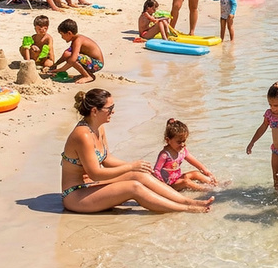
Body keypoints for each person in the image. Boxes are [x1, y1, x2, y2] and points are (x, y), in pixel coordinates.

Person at [60, 88, 213, 214]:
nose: (113, 112)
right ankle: (186, 208)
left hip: (91, 186)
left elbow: (107, 159)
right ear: (94, 111)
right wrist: (131, 167)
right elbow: (95, 173)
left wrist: (137, 167)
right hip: (76, 195)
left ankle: (188, 201)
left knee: (139, 175)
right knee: (134, 187)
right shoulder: (83, 135)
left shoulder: (98, 128)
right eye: (110, 109)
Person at [154, 119, 217, 191]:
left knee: (196, 173)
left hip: (178, 178)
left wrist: (206, 171)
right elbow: (156, 171)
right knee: (186, 182)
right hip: (170, 184)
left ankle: (215, 184)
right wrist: (163, 185)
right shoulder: (164, 155)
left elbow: (194, 161)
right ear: (168, 140)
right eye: (179, 142)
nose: (182, 144)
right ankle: (206, 189)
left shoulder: (182, 151)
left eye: (184, 141)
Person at [46, 18, 104, 84]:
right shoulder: (75, 40)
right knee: (67, 53)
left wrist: (61, 70)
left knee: (72, 57)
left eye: (62, 34)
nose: (62, 37)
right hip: (91, 62)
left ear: (69, 33)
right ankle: (87, 74)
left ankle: (87, 76)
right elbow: (65, 54)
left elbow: (73, 59)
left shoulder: (78, 41)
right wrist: (55, 65)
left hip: (97, 64)